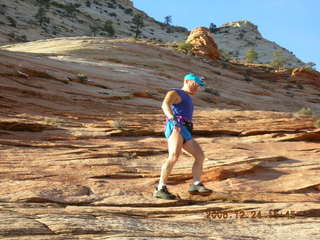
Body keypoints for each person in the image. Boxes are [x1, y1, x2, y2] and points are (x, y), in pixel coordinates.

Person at [154, 73, 213, 200]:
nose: (196, 87)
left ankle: (196, 185)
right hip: (176, 125)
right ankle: (160, 188)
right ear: (186, 81)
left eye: (198, 86)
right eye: (194, 84)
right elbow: (165, 104)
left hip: (185, 128)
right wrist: (172, 119)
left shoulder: (187, 97)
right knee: (174, 155)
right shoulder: (175, 92)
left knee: (199, 156)